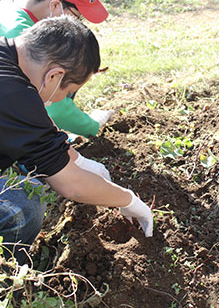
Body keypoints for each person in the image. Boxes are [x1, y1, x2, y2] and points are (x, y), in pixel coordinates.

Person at [0, 16, 153, 264]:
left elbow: (40, 131)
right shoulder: (15, 96)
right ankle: (10, 278)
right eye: (68, 92)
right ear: (54, 75)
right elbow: (72, 186)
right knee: (24, 205)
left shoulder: (7, 58)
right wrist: (129, 201)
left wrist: (78, 159)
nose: (62, 98)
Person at [0, 0, 113, 139]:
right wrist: (92, 125)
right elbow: (54, 106)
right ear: (55, 5)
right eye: (77, 16)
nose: (77, 23)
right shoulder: (21, 37)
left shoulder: (12, 2)